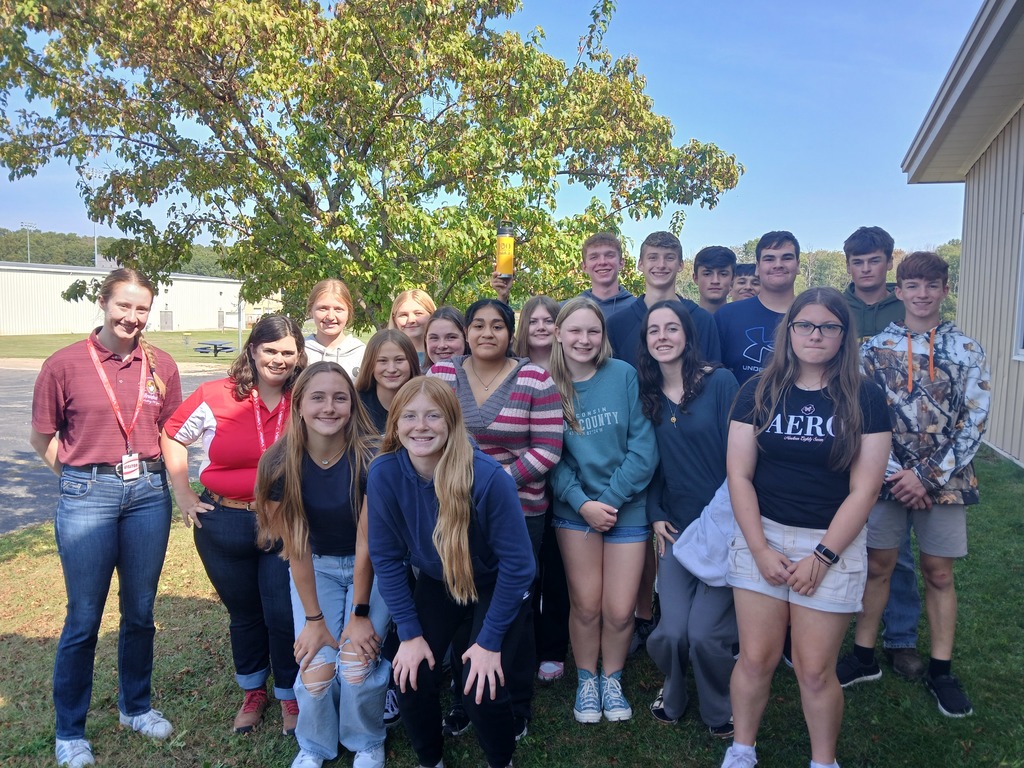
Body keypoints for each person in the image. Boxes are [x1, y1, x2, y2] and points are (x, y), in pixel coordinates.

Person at [721, 287, 891, 768]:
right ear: (789, 331)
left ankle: (823, 761)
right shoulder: (757, 391)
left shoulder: (867, 398)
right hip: (764, 533)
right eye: (805, 325)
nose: (816, 335)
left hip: (832, 540)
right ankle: (742, 749)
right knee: (756, 659)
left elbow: (865, 490)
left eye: (829, 327)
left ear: (843, 334)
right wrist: (758, 550)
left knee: (816, 670)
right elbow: (739, 475)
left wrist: (822, 557)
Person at [31, 269, 183, 768]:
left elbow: (170, 433)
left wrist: (165, 485)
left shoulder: (161, 365)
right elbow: (43, 437)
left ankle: (135, 707)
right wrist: (81, 478)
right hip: (87, 493)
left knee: (140, 612)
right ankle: (69, 731)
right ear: (103, 302)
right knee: (83, 618)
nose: (133, 318)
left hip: (147, 495)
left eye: (142, 309)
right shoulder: (65, 364)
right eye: (124, 306)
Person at [836, 251, 990, 718]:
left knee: (938, 572)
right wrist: (892, 473)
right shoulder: (872, 348)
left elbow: (974, 420)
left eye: (932, 286)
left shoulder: (967, 350)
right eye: (913, 286)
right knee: (878, 566)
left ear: (945, 290)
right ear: (897, 291)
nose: (922, 295)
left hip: (944, 480)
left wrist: (926, 475)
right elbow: (859, 414)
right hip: (885, 477)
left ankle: (941, 669)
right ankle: (864, 656)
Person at [367, 377, 535, 768]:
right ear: (395, 424)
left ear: (452, 421)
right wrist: (408, 635)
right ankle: (431, 759)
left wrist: (490, 642)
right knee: (409, 675)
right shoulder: (384, 474)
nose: (420, 426)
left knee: (481, 686)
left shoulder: (489, 477)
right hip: (438, 580)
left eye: (433, 416)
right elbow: (387, 558)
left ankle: (500, 759)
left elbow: (518, 565)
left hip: (495, 582)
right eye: (409, 416)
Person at [161, 314, 305, 736]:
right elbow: (171, 435)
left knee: (282, 613)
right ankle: (252, 691)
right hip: (222, 520)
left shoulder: (305, 395)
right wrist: (183, 493)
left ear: (299, 356)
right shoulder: (215, 395)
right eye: (270, 351)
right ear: (253, 351)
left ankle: (289, 693)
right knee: (244, 613)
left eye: (288, 352)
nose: (279, 360)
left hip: (283, 520)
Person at [428, 298, 563, 736]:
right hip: (453, 511)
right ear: (465, 333)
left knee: (512, 612)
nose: (488, 333)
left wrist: (492, 481)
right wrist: (461, 487)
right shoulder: (442, 375)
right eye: (478, 325)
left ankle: (515, 704)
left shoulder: (535, 378)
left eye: (498, 326)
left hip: (521, 511)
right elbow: (427, 433)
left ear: (511, 333)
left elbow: (547, 449)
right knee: (462, 604)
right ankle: (465, 698)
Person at [254, 361, 390, 768]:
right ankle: (313, 745)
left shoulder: (373, 457)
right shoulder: (279, 463)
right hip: (318, 568)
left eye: (339, 397)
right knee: (316, 665)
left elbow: (369, 541)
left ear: (352, 404)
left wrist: (360, 612)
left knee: (355, 660)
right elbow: (296, 548)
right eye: (317, 397)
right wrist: (314, 620)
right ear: (298, 405)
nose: (328, 407)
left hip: (376, 567)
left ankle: (366, 740)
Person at [605, 231, 720, 656]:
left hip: (685, 434)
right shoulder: (620, 321)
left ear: (680, 265)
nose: (659, 265)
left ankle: (698, 612)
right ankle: (644, 614)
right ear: (639, 264)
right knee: (643, 527)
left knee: (683, 521)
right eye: (651, 257)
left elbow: (711, 375)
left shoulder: (700, 319)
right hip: (635, 432)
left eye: (668, 257)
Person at [548, 297, 658, 724]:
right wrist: (583, 504)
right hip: (575, 512)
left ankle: (611, 679)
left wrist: (608, 502)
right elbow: (550, 457)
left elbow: (643, 448)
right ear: (558, 334)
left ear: (603, 336)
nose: (584, 339)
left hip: (625, 509)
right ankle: (585, 679)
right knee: (587, 605)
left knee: (618, 608)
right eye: (574, 330)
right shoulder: (546, 384)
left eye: (593, 331)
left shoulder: (623, 375)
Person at [637, 300, 739, 736]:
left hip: (727, 526)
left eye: (671, 328)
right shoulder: (647, 393)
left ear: (687, 335)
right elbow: (652, 464)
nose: (662, 336)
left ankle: (719, 705)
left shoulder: (720, 383)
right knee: (670, 633)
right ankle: (674, 689)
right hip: (677, 530)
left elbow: (743, 457)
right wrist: (656, 512)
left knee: (705, 635)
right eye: (653, 330)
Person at [841, 225, 923, 681]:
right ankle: (841, 622)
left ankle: (901, 637)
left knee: (897, 550)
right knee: (839, 528)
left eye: (874, 260)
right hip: (843, 430)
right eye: (858, 261)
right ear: (848, 264)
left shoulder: (905, 305)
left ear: (888, 262)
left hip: (897, 436)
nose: (866, 268)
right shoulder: (839, 306)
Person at [511, 295, 571, 682]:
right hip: (524, 487)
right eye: (533, 321)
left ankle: (553, 647)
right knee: (525, 572)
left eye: (549, 320)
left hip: (566, 485)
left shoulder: (572, 369)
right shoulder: (513, 369)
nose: (541, 327)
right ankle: (525, 643)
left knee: (557, 571)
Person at [715, 231, 800, 385]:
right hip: (740, 408)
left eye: (786, 258)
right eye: (769, 258)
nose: (778, 264)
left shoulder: (813, 316)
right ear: (757, 267)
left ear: (798, 266)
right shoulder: (727, 316)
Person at [355, 329, 422, 434]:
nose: (391, 369)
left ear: (412, 362)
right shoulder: (356, 404)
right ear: (370, 364)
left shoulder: (426, 400)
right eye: (382, 361)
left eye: (399, 360)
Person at [303, 278, 366, 377]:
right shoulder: (300, 352)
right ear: (311, 310)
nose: (331, 317)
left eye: (338, 309)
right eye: (323, 308)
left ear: (349, 312)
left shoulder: (362, 354)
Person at [389, 289, 437, 364]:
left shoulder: (443, 353)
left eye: (418, 313)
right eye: (403, 315)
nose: (411, 320)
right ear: (394, 319)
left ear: (432, 315)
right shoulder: (384, 355)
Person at [693, 245, 738, 314]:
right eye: (707, 274)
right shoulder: (682, 321)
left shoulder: (745, 321)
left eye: (723, 274)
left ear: (733, 279)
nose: (715, 281)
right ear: (695, 278)